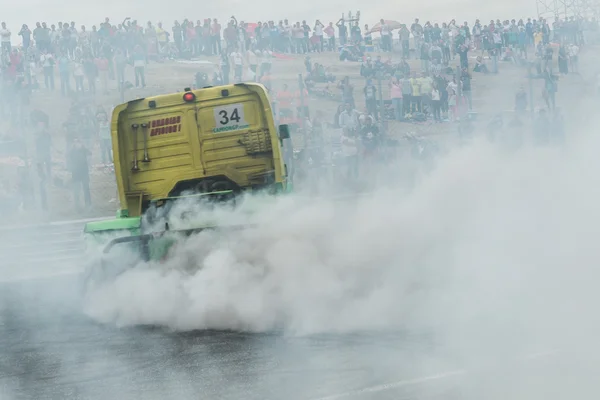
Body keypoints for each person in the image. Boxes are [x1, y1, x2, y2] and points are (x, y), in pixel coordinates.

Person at [67, 137, 92, 211]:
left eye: (78, 142)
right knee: (76, 189)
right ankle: (77, 205)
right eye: (74, 142)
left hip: (84, 172)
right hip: (75, 173)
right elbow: (68, 158)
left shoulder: (83, 149)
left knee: (86, 189)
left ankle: (88, 205)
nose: (76, 143)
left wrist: (89, 162)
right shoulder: (72, 151)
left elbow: (90, 153)